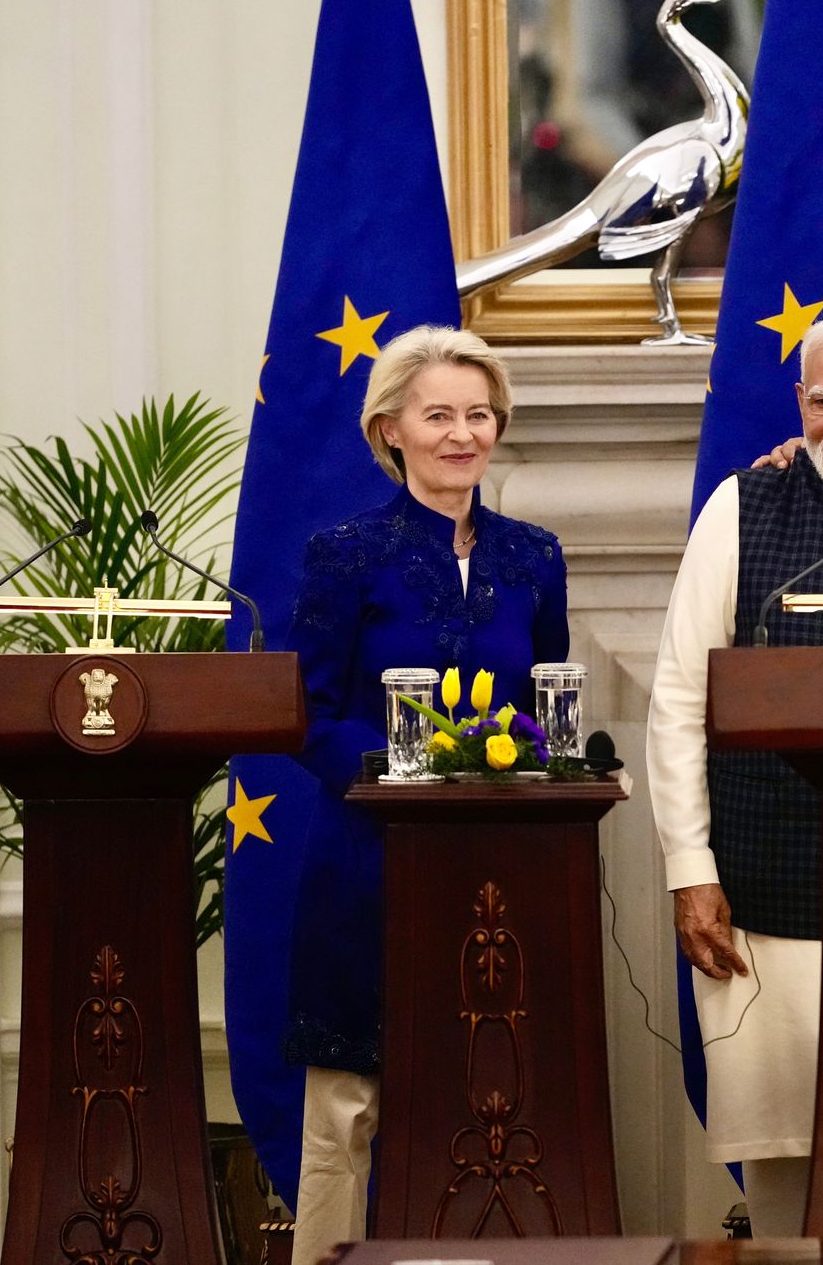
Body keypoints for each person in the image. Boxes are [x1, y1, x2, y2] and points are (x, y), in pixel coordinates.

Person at [646, 311, 823, 1235]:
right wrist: (690, 872)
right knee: (782, 1165)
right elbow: (677, 700)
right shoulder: (742, 505)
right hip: (760, 891)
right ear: (798, 403)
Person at [283, 326, 569, 1265]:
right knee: (348, 1106)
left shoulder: (535, 557)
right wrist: (407, 768)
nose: (462, 434)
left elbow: (548, 706)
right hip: (367, 865)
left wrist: (514, 760)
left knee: (493, 1095)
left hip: (501, 870)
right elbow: (309, 714)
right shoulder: (343, 553)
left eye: (478, 415)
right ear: (390, 429)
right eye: (438, 414)